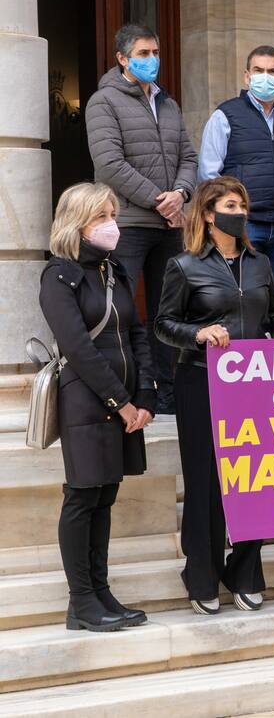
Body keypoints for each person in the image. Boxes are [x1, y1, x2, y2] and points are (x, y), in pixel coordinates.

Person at [156, 178, 274, 615]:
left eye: (243, 204)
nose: (238, 212)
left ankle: (245, 570)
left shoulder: (260, 264)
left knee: (255, 479)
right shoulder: (183, 266)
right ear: (206, 213)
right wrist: (197, 333)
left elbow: (273, 315)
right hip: (201, 381)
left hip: (255, 386)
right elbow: (164, 324)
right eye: (229, 204)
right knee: (204, 482)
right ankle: (200, 571)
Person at [39, 183, 156, 632]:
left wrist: (145, 396)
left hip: (126, 402)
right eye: (101, 216)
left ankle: (101, 591)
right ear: (78, 223)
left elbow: (137, 333)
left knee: (106, 494)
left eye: (113, 214)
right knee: (83, 495)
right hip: (87, 401)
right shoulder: (59, 276)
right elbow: (78, 349)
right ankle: (81, 602)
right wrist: (121, 402)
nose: (112, 224)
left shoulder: (116, 271)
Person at [85, 23, 197, 414]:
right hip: (129, 224)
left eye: (155, 52)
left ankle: (167, 394)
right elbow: (110, 164)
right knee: (121, 309)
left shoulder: (168, 102)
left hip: (169, 227)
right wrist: (158, 200)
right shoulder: (104, 102)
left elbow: (189, 157)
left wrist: (181, 193)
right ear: (122, 58)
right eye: (143, 54)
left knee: (169, 313)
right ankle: (125, 392)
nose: (152, 60)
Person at [198, 45, 274, 287]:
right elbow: (209, 175)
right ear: (246, 76)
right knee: (245, 291)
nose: (265, 76)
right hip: (244, 225)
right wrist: (228, 215)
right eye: (258, 70)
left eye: (272, 71)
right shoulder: (225, 115)